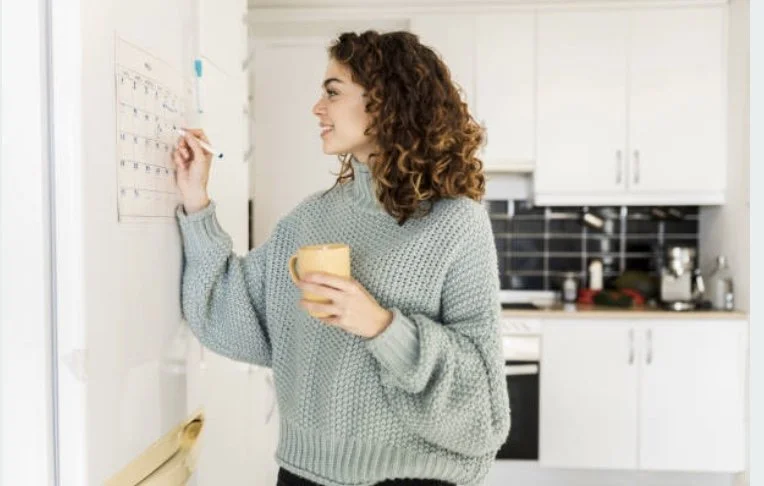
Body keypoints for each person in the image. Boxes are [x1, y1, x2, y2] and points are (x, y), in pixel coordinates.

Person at [172, 30, 510, 486]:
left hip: (414, 479)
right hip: (303, 476)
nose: (317, 108)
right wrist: (196, 201)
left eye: (333, 92)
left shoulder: (456, 224)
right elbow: (226, 308)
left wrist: (381, 326)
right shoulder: (309, 220)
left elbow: (482, 406)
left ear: (387, 102)